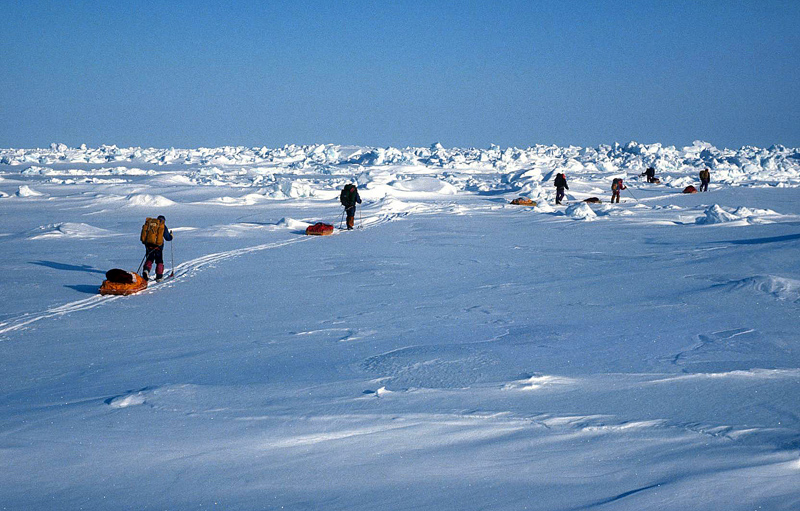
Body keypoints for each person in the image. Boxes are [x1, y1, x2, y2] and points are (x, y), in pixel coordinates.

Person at [140, 215, 173, 281]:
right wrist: (171, 235)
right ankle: (159, 276)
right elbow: (168, 238)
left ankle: (146, 271)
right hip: (158, 246)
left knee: (149, 258)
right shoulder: (162, 226)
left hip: (149, 245)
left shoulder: (151, 225)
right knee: (159, 260)